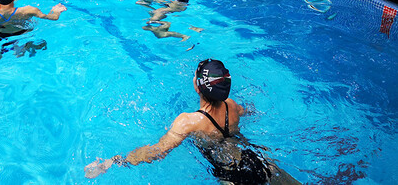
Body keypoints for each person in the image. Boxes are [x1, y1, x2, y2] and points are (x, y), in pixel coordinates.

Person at [84, 59, 301, 184]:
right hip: (256, 159)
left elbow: (157, 152)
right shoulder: (232, 106)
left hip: (231, 175)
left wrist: (113, 161)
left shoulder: (187, 122)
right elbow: (249, 111)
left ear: (198, 86)